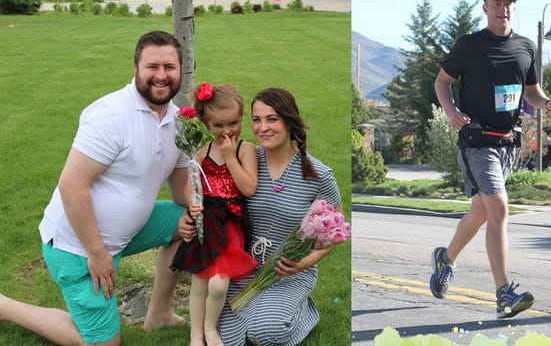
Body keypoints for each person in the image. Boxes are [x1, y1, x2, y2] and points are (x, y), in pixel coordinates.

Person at [0, 30, 191, 345]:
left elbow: (182, 192)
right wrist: (97, 252)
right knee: (104, 343)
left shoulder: (179, 122)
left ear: (180, 70)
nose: (161, 76)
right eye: (152, 67)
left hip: (125, 233)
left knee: (188, 222)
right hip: (77, 245)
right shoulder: (111, 115)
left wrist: (213, 210)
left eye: (169, 67)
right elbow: (71, 185)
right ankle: (6, 307)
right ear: (136, 69)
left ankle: (158, 314)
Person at [430, 0, 551, 319]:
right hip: (477, 142)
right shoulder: (469, 45)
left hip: (508, 143)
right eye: (496, 3)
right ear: (485, 7)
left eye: (508, 4)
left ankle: (445, 260)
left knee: (481, 214)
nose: (503, 9)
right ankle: (504, 294)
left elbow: (531, 91)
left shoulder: (525, 47)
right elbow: (442, 81)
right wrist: (450, 113)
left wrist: (546, 103)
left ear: (513, 9)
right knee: (500, 209)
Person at [180, 87, 344, 345]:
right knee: (230, 338)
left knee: (265, 333)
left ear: (289, 121)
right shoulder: (245, 157)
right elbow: (206, 193)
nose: (263, 127)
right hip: (240, 265)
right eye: (256, 120)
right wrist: (188, 219)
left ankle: (304, 312)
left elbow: (338, 229)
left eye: (272, 119)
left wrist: (306, 261)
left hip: (286, 271)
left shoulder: (317, 174)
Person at [170, 82, 258, 346]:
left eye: (232, 123)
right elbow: (190, 185)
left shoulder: (245, 149)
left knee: (219, 284)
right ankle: (195, 334)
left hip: (230, 224)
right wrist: (192, 202)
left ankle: (210, 327)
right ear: (206, 124)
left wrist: (231, 158)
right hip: (206, 222)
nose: (226, 131)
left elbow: (249, 188)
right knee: (199, 282)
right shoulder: (202, 151)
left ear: (241, 118)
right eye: (218, 125)